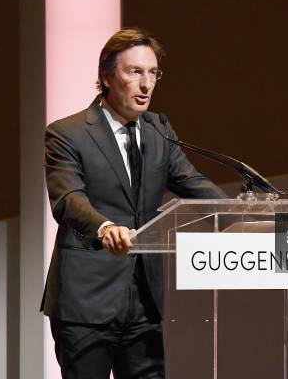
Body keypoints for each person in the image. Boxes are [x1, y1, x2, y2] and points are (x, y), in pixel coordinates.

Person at [40, 28, 226, 379]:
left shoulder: (159, 130)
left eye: (153, 73)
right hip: (86, 303)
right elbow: (67, 198)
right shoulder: (67, 133)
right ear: (107, 77)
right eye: (135, 72)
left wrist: (239, 217)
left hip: (143, 302)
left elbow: (192, 183)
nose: (147, 84)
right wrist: (105, 227)